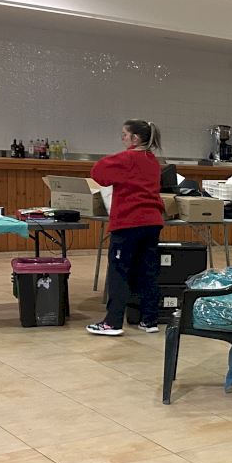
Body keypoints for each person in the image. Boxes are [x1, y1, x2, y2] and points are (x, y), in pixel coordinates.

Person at [86, 120, 166, 337]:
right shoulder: (152, 160)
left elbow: (97, 172)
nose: (122, 138)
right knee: (148, 271)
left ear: (135, 138)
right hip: (152, 222)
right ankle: (149, 319)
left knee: (119, 272)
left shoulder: (126, 158)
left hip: (129, 222)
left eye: (124, 135)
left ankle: (112, 322)